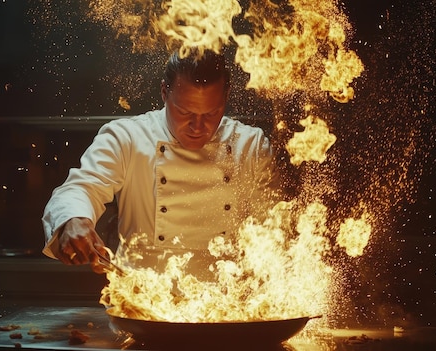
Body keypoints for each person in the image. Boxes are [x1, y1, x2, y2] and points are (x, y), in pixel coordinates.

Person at [42, 48, 282, 276]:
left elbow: (273, 229)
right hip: (143, 302)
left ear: (226, 97)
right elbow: (82, 187)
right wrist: (74, 219)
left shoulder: (250, 146)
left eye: (210, 114)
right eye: (185, 112)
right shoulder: (128, 137)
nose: (198, 127)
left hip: (228, 303)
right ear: (165, 92)